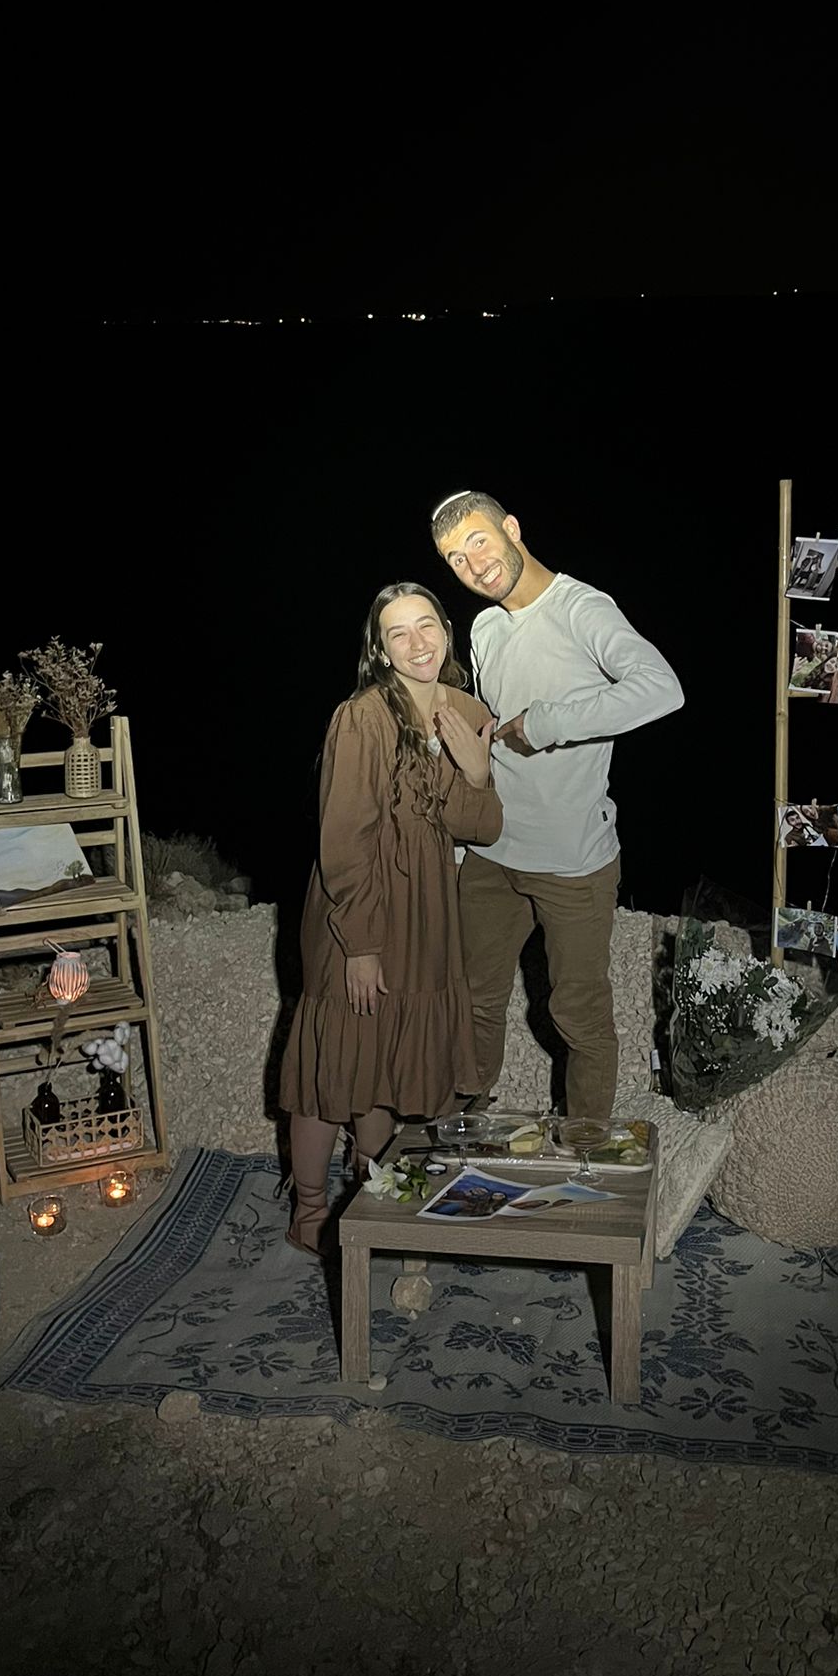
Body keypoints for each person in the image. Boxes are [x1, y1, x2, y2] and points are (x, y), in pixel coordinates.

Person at [430, 491, 684, 1119]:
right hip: (492, 852)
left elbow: (662, 689)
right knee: (472, 1001)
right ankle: (463, 1131)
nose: (474, 565)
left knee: (579, 1016)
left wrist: (549, 722)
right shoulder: (485, 628)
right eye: (457, 558)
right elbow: (490, 736)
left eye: (479, 541)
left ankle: (586, 1151)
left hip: (573, 861)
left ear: (512, 528)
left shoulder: (582, 608)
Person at [278, 583, 501, 1257]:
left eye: (426, 625)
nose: (417, 643)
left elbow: (482, 827)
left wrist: (476, 771)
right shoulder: (363, 717)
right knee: (336, 1063)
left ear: (447, 631)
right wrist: (360, 945)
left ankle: (368, 1193)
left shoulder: (467, 711)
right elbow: (344, 838)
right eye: (398, 632)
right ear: (379, 649)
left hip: (427, 912)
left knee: (386, 1059)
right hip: (358, 911)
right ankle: (309, 1210)